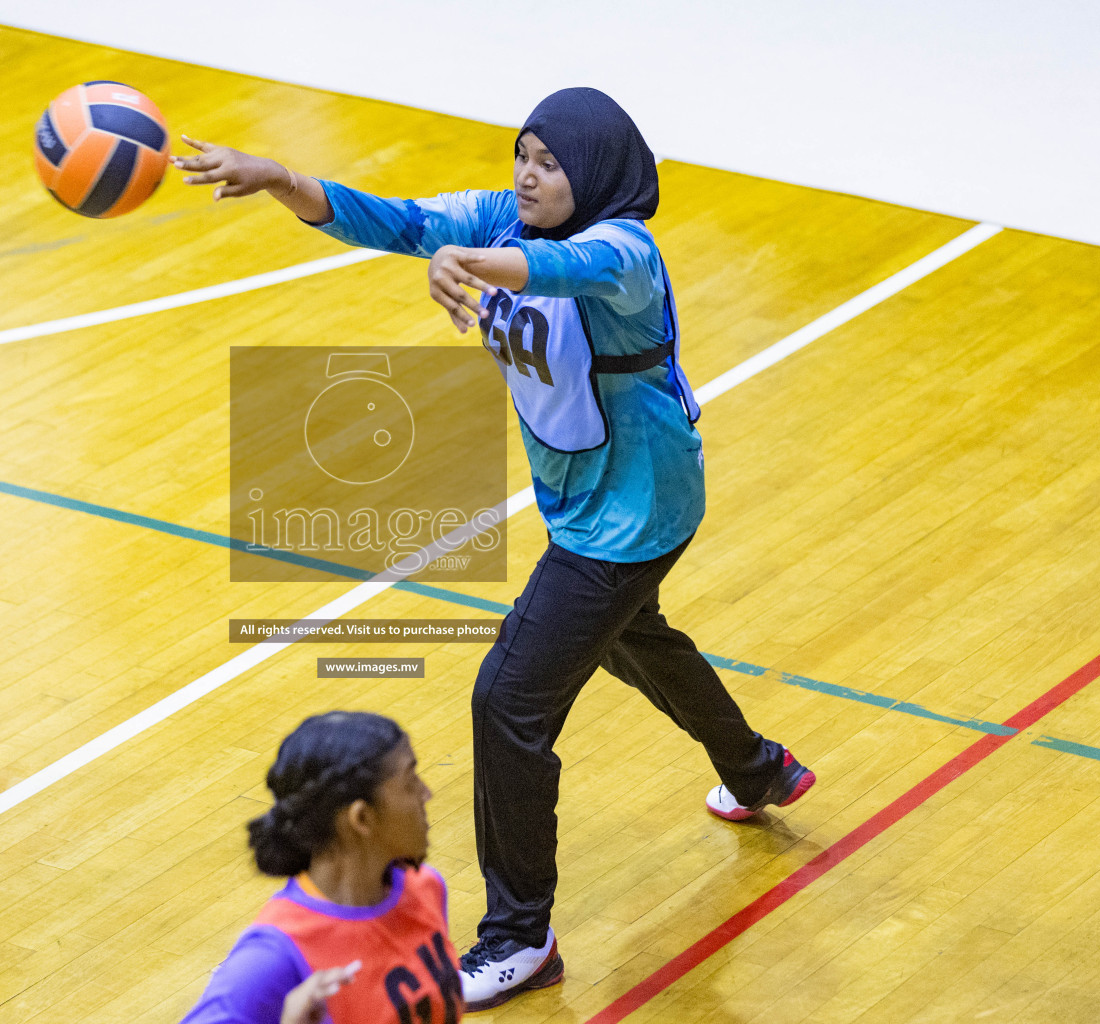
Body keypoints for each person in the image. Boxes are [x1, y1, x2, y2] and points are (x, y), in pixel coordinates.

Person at [174, 86, 816, 1010]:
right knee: (634, 643)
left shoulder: (626, 251)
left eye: (550, 163)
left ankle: (521, 937)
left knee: (508, 700)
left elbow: (557, 269)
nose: (527, 173)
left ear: (594, 173)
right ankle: (758, 768)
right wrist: (281, 178)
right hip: (589, 502)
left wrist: (467, 259)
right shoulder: (499, 215)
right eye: (522, 154)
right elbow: (388, 219)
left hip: (632, 512)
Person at [182, 712, 462, 1024]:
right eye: (410, 782)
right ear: (361, 819)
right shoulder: (272, 958)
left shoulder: (425, 887)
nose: (427, 794)